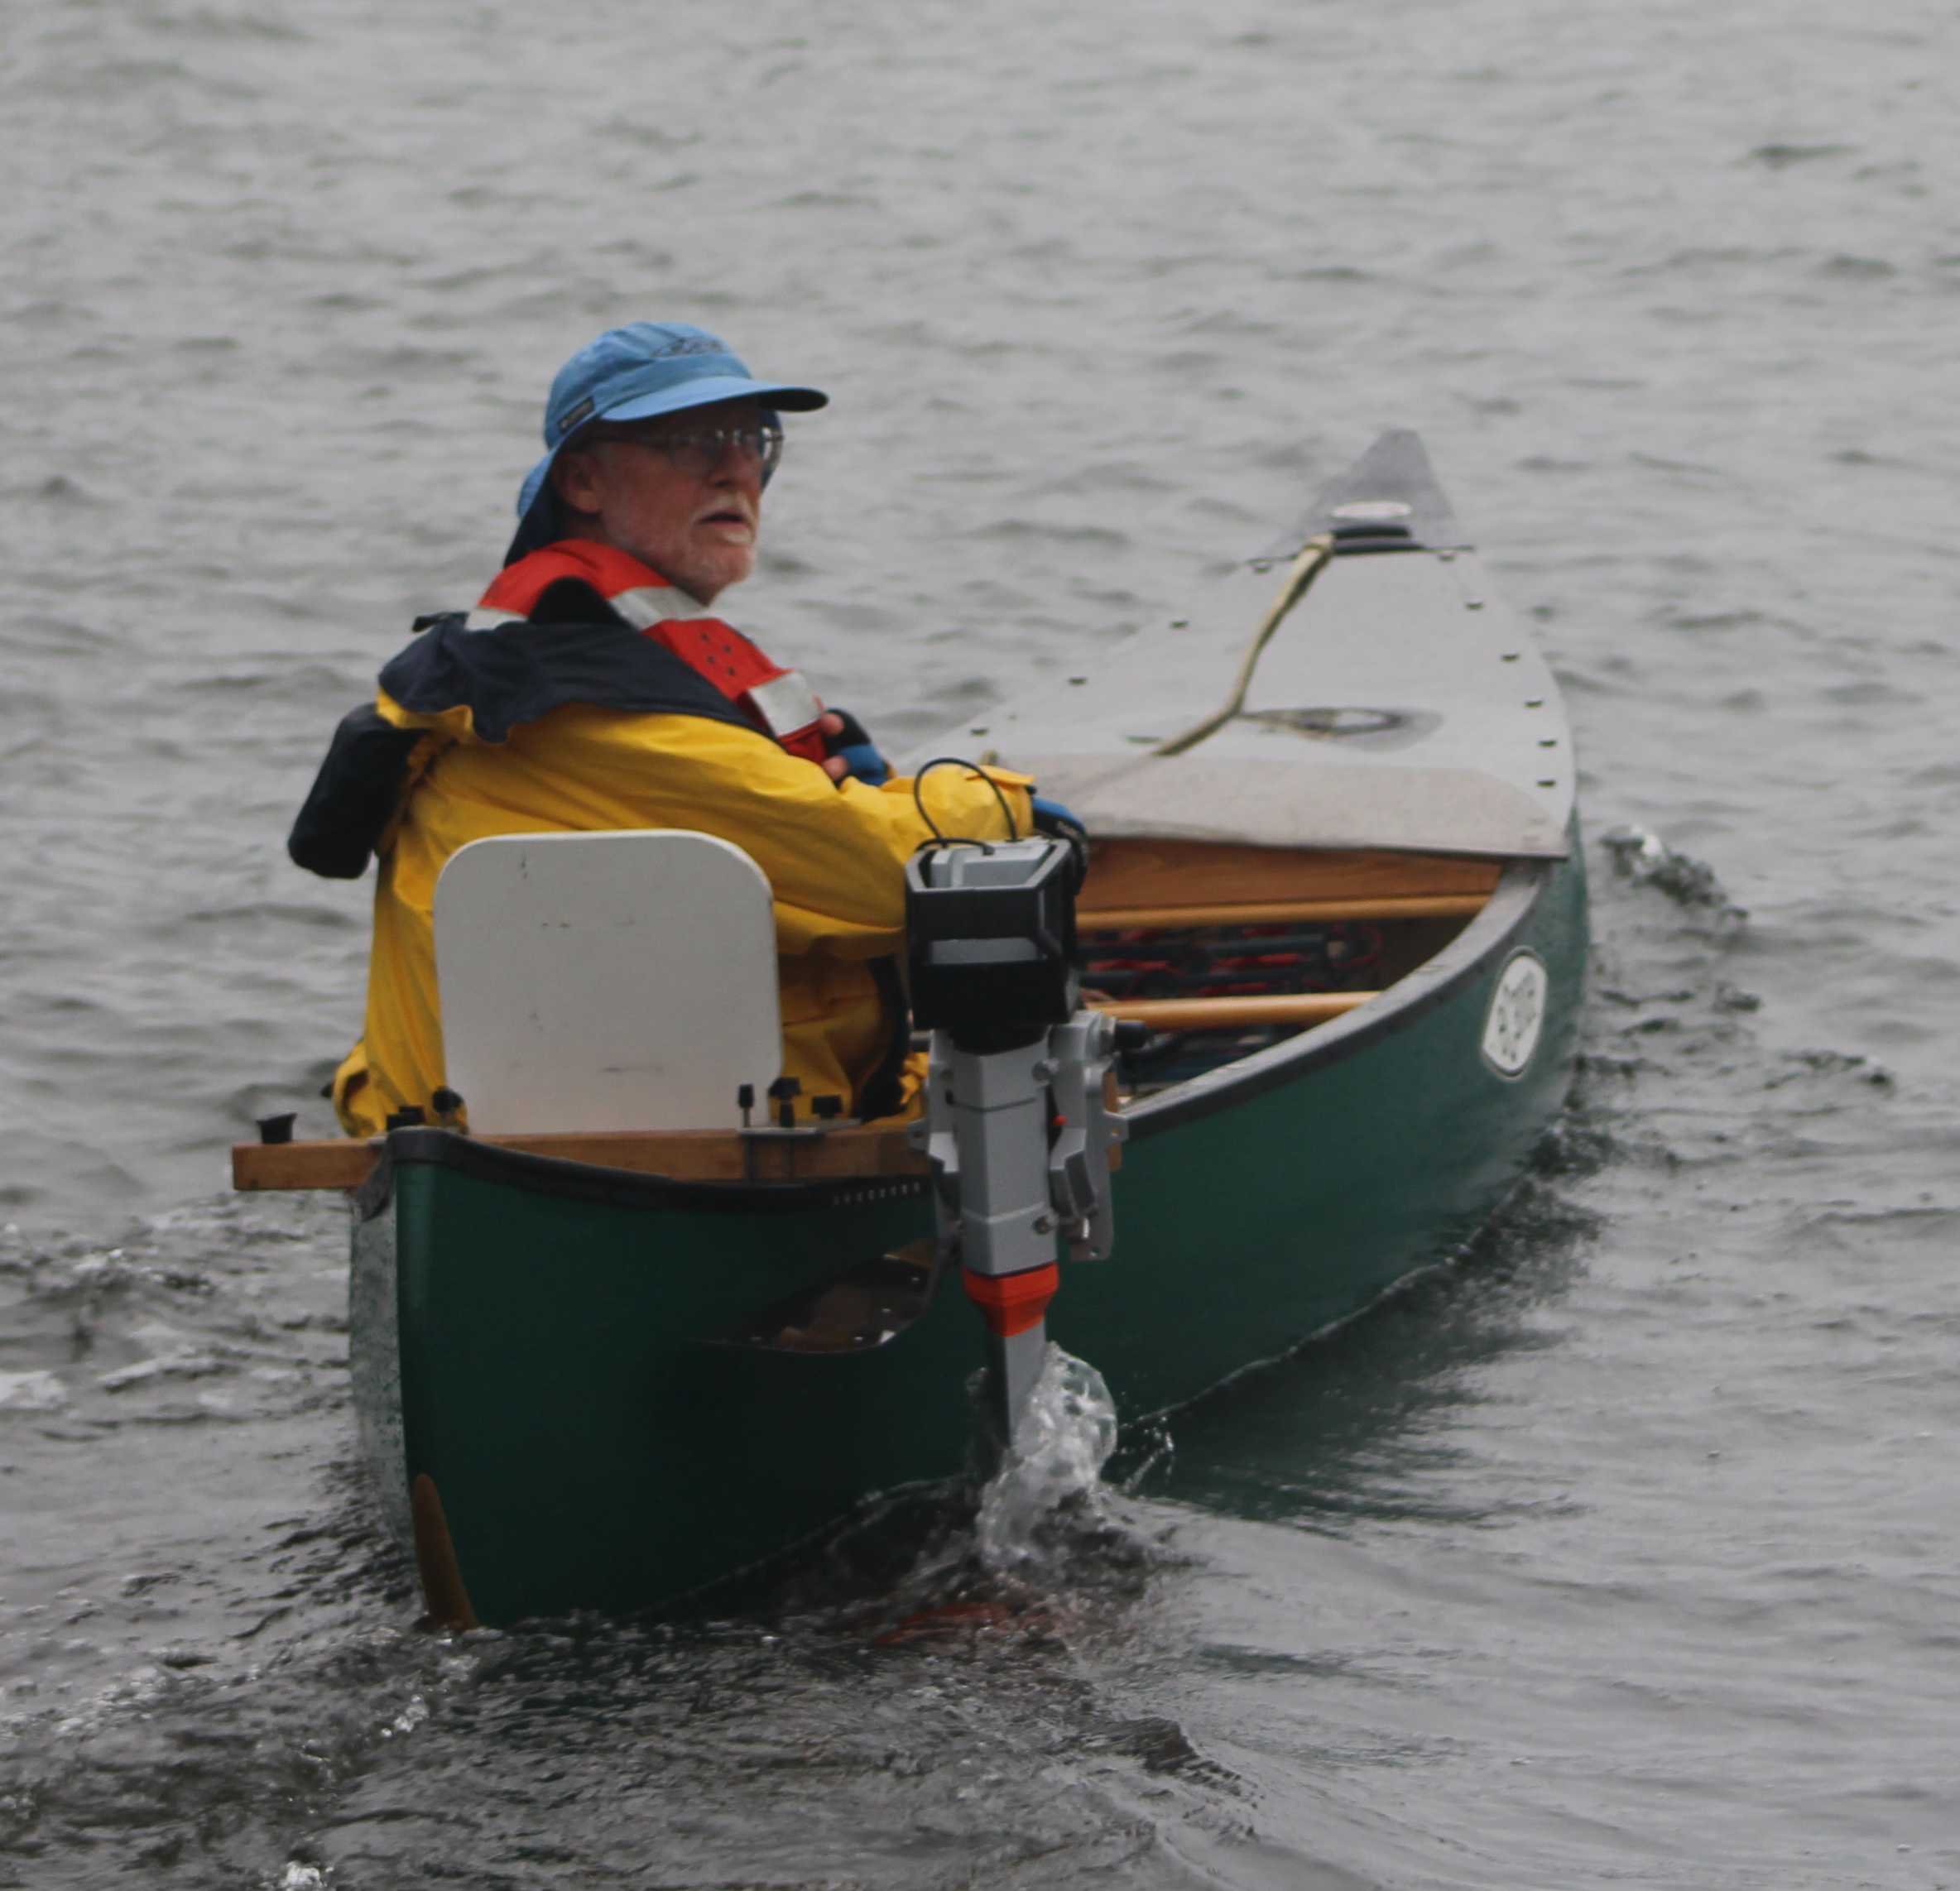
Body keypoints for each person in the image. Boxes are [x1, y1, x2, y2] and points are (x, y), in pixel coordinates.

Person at [291, 321, 1045, 1136]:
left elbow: (782, 824)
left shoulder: (544, 666)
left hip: (524, 1122)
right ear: (583, 483)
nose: (736, 468)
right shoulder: (575, 699)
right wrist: (1006, 810)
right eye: (690, 440)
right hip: (629, 1145)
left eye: (753, 439)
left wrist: (862, 782)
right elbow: (881, 871)